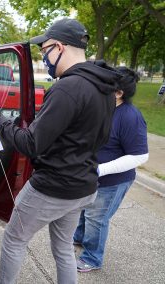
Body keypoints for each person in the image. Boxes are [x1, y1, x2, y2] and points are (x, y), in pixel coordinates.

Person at [0, 18, 121, 284]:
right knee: (63, 248)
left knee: (14, 239)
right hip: (84, 186)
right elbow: (95, 136)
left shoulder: (67, 88)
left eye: (44, 52)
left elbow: (30, 144)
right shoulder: (106, 88)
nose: (44, 59)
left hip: (52, 187)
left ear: (60, 47)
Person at [73, 67, 149, 272]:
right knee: (84, 210)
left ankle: (92, 258)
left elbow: (141, 156)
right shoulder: (105, 107)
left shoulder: (130, 117)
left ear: (118, 93)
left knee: (96, 219)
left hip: (112, 181)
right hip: (91, 175)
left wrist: (100, 169)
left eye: (105, 84)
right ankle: (79, 238)